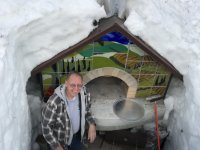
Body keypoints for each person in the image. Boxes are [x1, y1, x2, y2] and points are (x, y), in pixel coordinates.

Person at [42, 71, 96, 150]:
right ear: (66, 83)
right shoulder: (54, 102)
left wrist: (92, 124)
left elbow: (87, 110)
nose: (76, 89)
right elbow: (46, 127)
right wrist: (56, 146)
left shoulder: (84, 93)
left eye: (79, 85)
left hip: (76, 137)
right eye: (72, 85)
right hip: (59, 141)